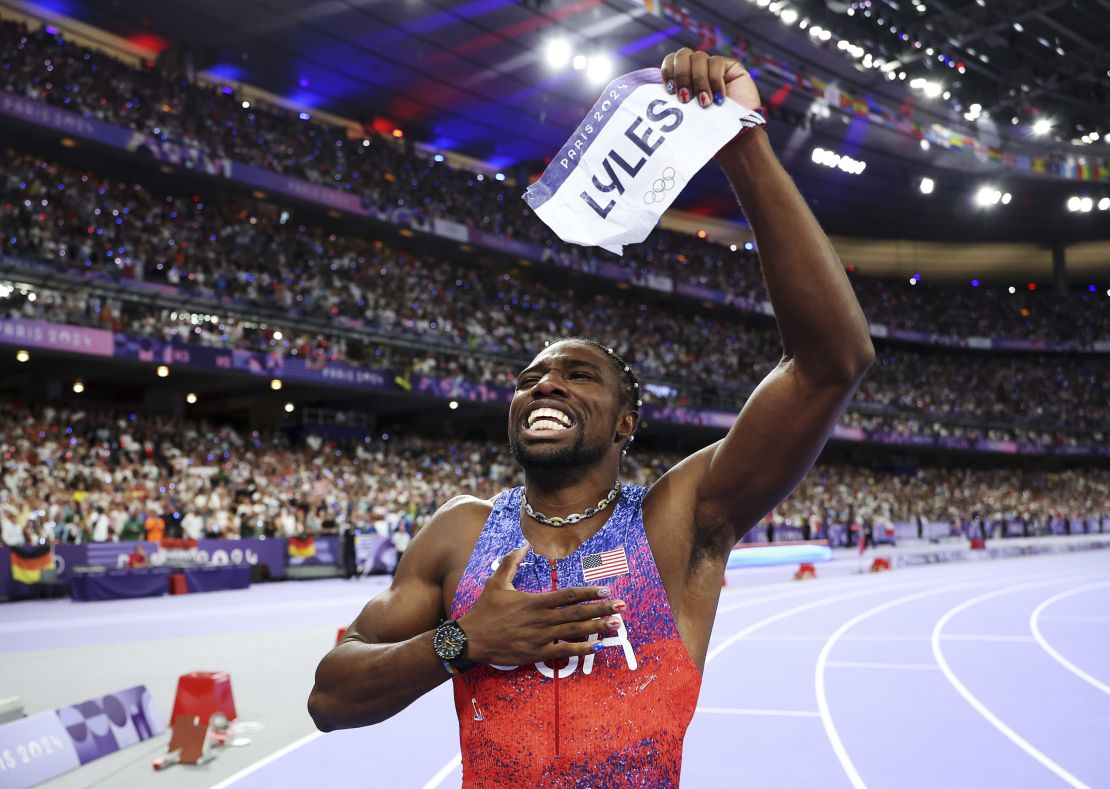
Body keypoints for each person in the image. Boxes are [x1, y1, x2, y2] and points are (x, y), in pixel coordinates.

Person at [308, 48, 874, 786]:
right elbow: (329, 694)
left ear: (624, 423)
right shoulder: (463, 532)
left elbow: (832, 361)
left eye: (579, 376)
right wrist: (463, 639)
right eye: (531, 378)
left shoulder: (681, 518)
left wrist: (744, 147)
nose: (546, 387)